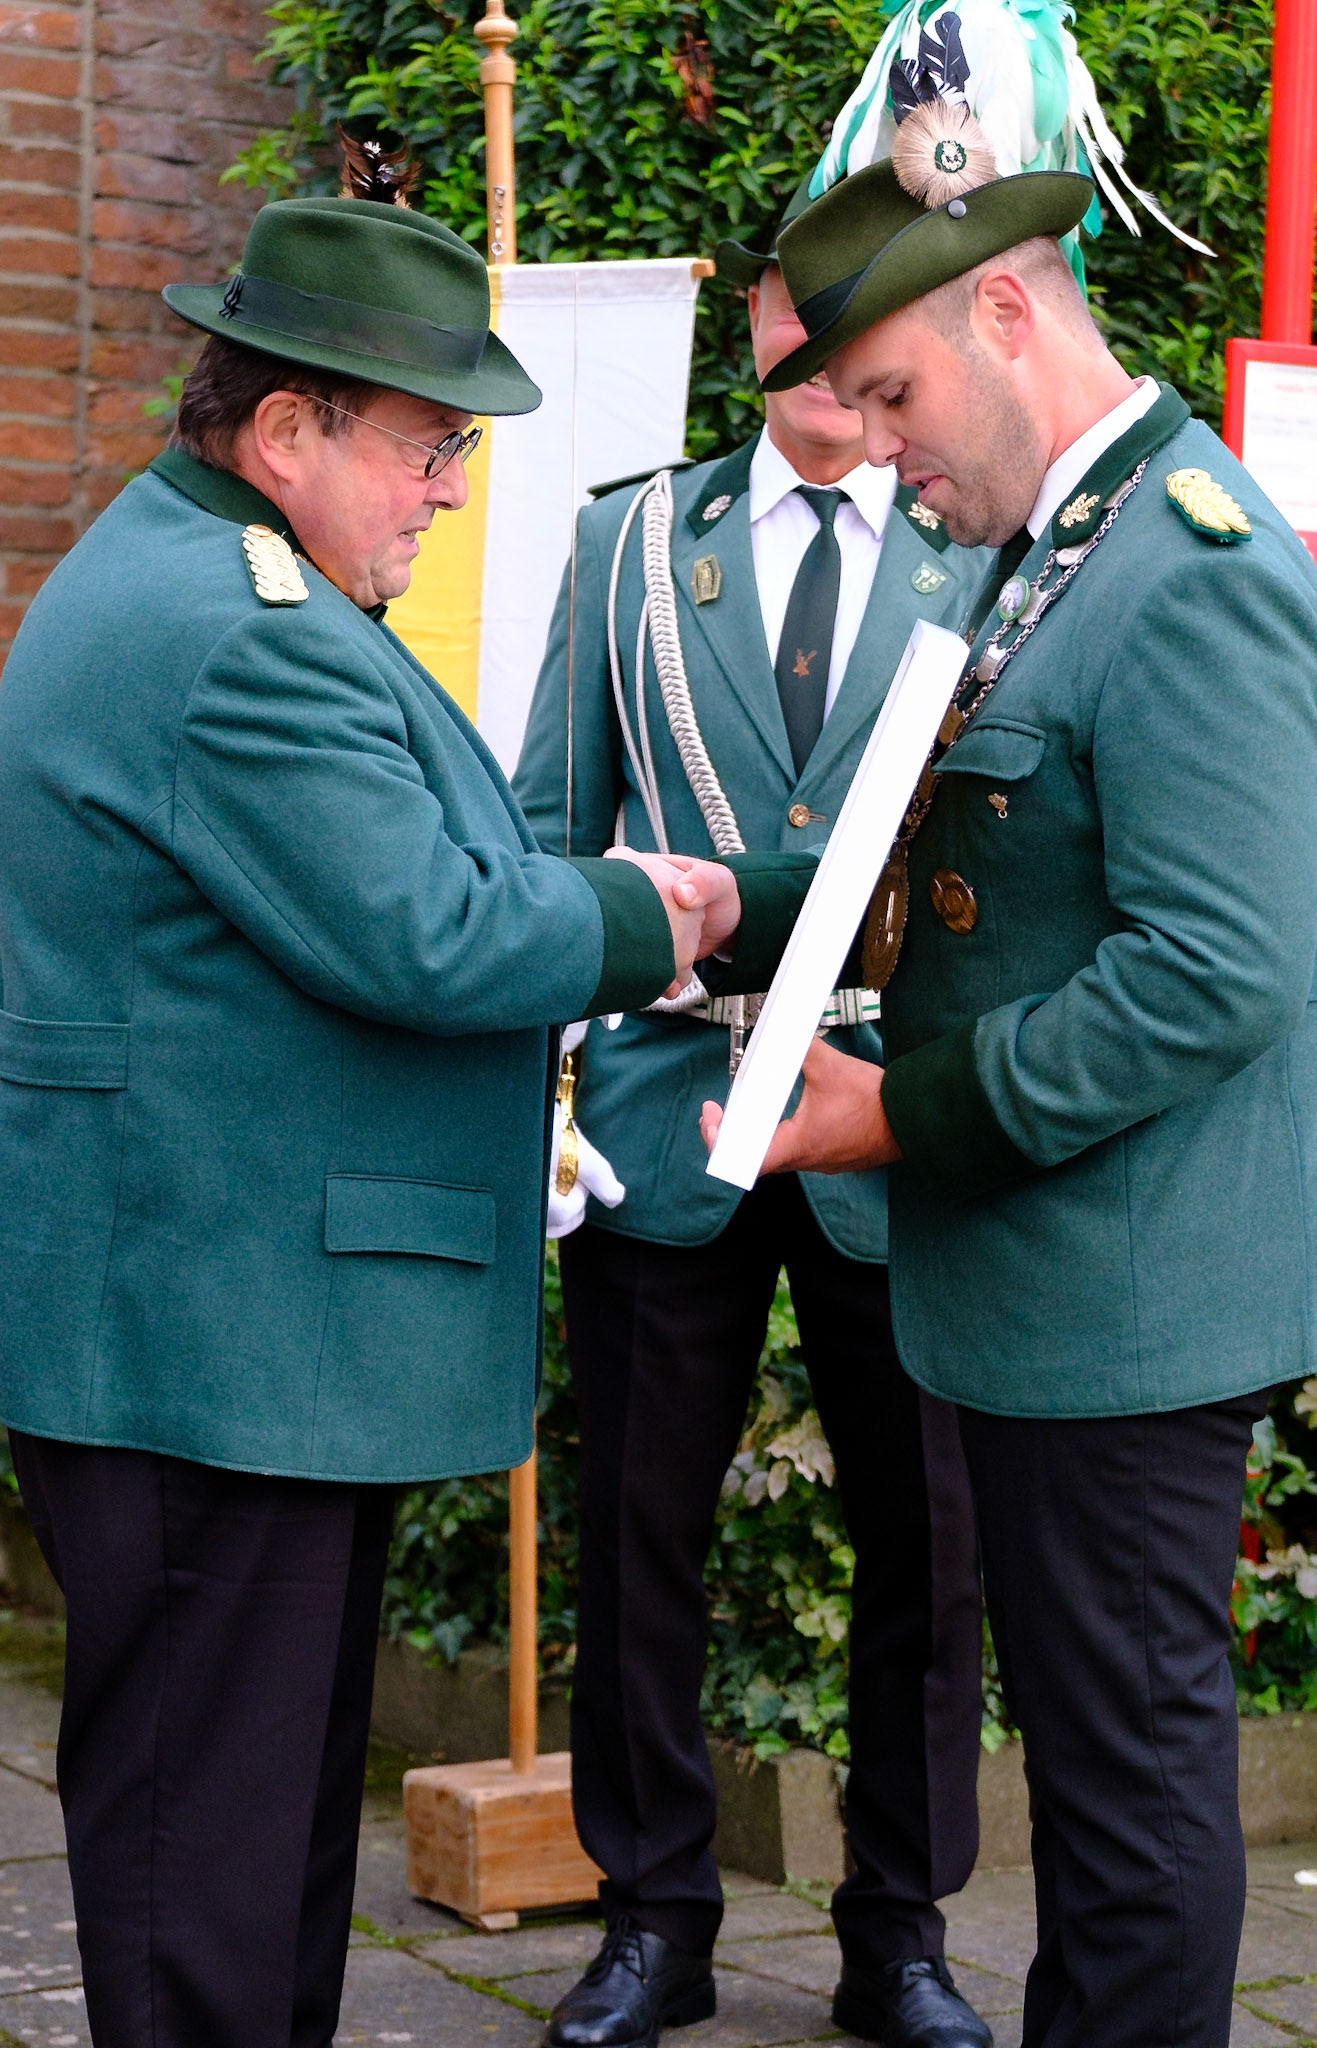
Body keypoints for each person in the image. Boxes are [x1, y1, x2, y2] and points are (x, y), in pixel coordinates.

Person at [0, 142, 763, 2048]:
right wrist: (640, 915)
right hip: (217, 1335)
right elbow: (427, 933)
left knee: (244, 1850)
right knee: (204, 1878)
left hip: (220, 1323)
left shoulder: (202, 572)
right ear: (288, 428)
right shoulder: (241, 627)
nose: (450, 485)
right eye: (423, 444)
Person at [702, 53, 1317, 2048]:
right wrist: (728, 917)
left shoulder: (1189, 563)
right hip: (1041, 1289)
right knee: (1089, 1780)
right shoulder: (1038, 549)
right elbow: (951, 870)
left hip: (1124, 1306)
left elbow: (1216, 967)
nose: (868, 452)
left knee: (1128, 1806)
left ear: (1004, 306)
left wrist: (901, 1108)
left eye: (882, 399)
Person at [512, 203, 992, 2048]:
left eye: (861, 317)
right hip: (666, 1091)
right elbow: (553, 832)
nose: (823, 350)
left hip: (887, 1108)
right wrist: (544, 1094)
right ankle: (653, 1921)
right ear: (758, 316)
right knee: (640, 1529)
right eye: (800, 307)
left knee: (928, 1545)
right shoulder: (625, 536)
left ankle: (902, 1933)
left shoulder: (986, 540)